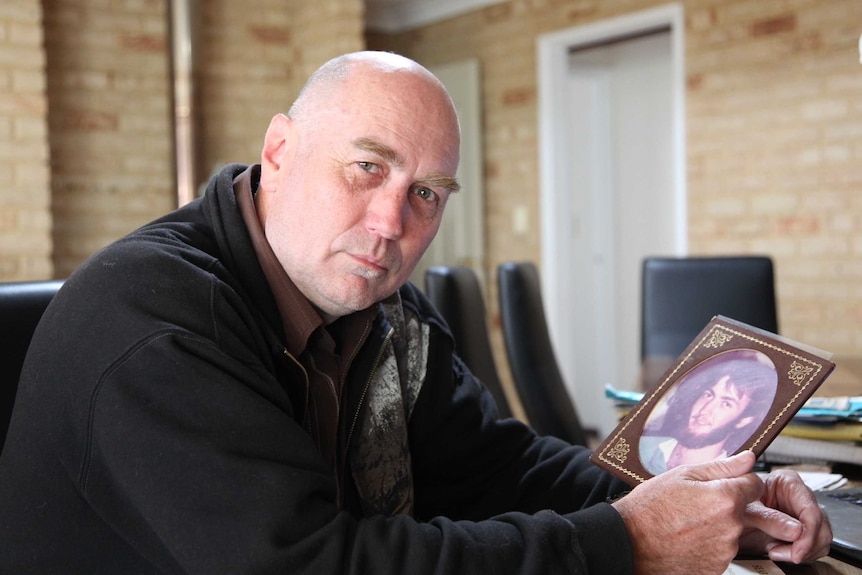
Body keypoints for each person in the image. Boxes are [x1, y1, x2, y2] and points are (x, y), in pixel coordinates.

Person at [0, 51, 831, 575]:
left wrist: (713, 501)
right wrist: (633, 541)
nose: (393, 223)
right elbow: (313, 564)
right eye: (367, 168)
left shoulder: (383, 309)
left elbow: (494, 462)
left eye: (426, 193)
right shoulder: (153, 319)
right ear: (281, 151)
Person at [640, 352, 777, 474]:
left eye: (726, 403)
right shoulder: (643, 447)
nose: (705, 409)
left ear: (744, 420)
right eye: (708, 395)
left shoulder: (728, 481)